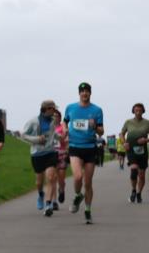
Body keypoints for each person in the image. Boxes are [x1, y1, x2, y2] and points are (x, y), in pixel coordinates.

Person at [64, 82, 104, 225]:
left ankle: (87, 210)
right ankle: (77, 196)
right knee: (77, 176)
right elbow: (65, 122)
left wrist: (95, 127)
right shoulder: (70, 108)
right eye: (82, 91)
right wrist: (64, 129)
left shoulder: (97, 110)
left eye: (87, 91)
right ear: (79, 93)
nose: (84, 93)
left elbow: (101, 131)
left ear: (90, 93)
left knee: (88, 182)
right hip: (75, 146)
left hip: (90, 147)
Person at [22, 100, 60, 217]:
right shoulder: (33, 121)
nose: (54, 111)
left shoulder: (54, 121)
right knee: (39, 182)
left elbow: (53, 135)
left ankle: (48, 205)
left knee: (51, 177)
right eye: (52, 109)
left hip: (50, 153)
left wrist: (60, 138)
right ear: (46, 109)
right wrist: (37, 139)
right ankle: (40, 194)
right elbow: (23, 135)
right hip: (37, 154)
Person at [121, 103, 149, 203]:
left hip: (142, 151)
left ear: (143, 111)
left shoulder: (147, 123)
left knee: (142, 175)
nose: (138, 112)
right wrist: (124, 143)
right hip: (131, 149)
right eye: (136, 110)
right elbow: (122, 134)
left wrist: (146, 140)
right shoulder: (128, 122)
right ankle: (133, 191)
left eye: (140, 110)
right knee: (134, 171)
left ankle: (139, 193)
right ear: (133, 111)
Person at [53, 109, 68, 208]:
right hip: (51, 153)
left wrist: (67, 150)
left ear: (59, 117)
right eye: (53, 116)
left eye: (57, 116)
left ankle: (61, 189)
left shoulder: (62, 126)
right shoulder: (49, 127)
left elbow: (66, 138)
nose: (55, 117)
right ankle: (54, 201)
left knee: (61, 177)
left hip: (62, 153)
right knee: (52, 178)